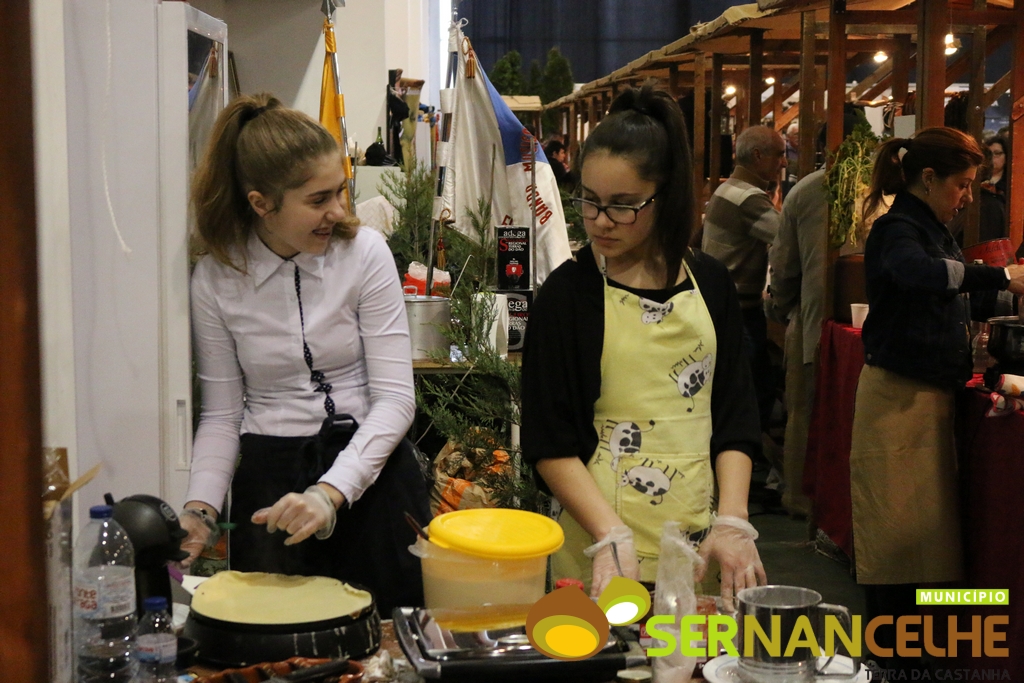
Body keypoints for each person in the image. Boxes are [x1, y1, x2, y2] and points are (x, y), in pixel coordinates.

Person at [178, 94, 430, 615]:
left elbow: (396, 400)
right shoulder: (216, 279)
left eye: (340, 190)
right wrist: (199, 510)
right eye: (318, 200)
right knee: (274, 637)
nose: (338, 211)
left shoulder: (365, 253)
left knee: (387, 635)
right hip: (270, 485)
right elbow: (222, 416)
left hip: (372, 471)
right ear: (261, 204)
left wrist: (329, 491)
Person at [521, 86, 766, 606]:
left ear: (666, 196)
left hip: (697, 548)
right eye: (589, 200)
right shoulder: (568, 295)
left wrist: (733, 519)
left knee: (686, 648)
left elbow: (734, 413)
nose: (600, 220)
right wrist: (610, 535)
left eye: (623, 206)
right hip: (598, 547)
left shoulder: (710, 282)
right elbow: (549, 441)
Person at [852, 127, 1024, 674]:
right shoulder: (897, 229)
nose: (968, 196)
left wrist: (1005, 294)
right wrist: (1003, 276)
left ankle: (915, 660)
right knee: (897, 548)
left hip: (924, 400)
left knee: (923, 550)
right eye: (962, 184)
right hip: (896, 403)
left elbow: (956, 293)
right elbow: (923, 275)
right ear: (928, 178)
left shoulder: (932, 229)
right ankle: (891, 663)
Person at [702, 125, 787, 432]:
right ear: (758, 155)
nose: (783, 162)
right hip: (739, 311)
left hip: (720, 303)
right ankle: (749, 453)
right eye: (779, 154)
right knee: (751, 393)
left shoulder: (727, 188)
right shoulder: (748, 198)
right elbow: (788, 238)